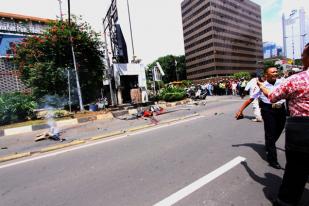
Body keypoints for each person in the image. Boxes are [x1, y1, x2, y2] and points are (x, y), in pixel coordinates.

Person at [257, 43, 309, 206]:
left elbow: (273, 96)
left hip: (302, 128)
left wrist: (262, 87)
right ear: (266, 75)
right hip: (270, 112)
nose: (301, 57)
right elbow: (256, 98)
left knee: (296, 171)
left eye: (303, 54)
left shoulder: (296, 79)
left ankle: (286, 201)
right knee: (270, 136)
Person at [250, 67, 286, 169]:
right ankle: (272, 160)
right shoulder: (262, 86)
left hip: (281, 109)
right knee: (270, 134)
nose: (275, 73)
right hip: (268, 110)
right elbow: (252, 98)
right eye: (273, 72)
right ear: (266, 75)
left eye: (276, 71)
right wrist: (240, 110)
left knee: (279, 130)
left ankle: (269, 144)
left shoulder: (282, 82)